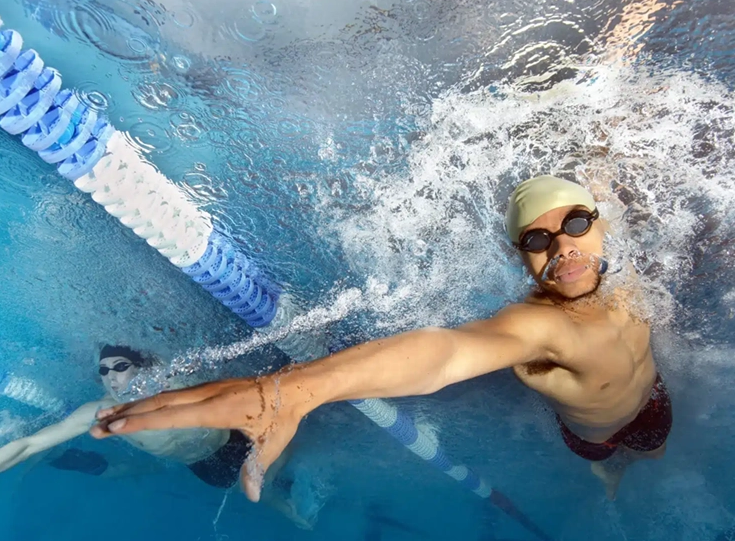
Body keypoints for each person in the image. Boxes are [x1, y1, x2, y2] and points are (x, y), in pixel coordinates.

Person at [91, 176, 673, 501]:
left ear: (600, 220)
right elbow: (444, 353)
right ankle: (608, 475)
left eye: (575, 224)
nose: (564, 248)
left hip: (651, 403)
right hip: (588, 433)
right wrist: (296, 389)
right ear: (519, 257)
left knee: (655, 447)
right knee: (607, 463)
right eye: (537, 240)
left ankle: (633, 463)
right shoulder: (542, 325)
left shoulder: (618, 257)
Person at [0, 345, 320, 527]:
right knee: (248, 492)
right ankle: (284, 507)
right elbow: (30, 443)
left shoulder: (177, 387)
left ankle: (284, 483)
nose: (112, 377)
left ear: (140, 368)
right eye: (104, 371)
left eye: (120, 367)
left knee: (286, 447)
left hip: (233, 439)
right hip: (203, 465)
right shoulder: (98, 411)